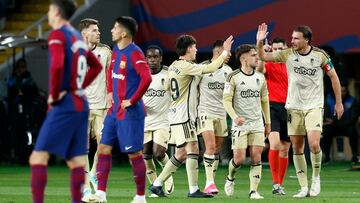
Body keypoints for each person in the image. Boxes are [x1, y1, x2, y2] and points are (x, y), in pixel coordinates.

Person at [256, 23, 344, 198]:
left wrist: (338, 102)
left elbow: (333, 76)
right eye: (292, 37)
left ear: (306, 40)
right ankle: (303, 187)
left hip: (313, 106)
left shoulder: (320, 56)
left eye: (296, 38)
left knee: (313, 144)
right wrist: (259, 42)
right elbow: (263, 57)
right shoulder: (288, 54)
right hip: (294, 107)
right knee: (296, 147)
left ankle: (316, 178)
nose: (292, 41)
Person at [29, 1, 102, 203]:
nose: (48, 13)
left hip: (65, 104)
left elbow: (57, 65)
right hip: (81, 104)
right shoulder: (76, 37)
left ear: (57, 12)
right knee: (77, 160)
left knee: (37, 158)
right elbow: (95, 67)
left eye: (50, 9)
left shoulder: (58, 35)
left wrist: (55, 92)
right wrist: (78, 86)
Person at [149, 34, 233, 198]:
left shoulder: (173, 66)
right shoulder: (186, 66)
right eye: (194, 47)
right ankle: (192, 189)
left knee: (181, 152)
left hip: (176, 114)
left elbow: (167, 85)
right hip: (184, 116)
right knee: (192, 148)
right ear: (188, 49)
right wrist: (224, 53)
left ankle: (158, 184)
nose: (196, 50)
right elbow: (209, 68)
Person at [91, 16, 152, 203]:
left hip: (130, 113)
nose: (111, 30)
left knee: (134, 154)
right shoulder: (116, 50)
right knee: (102, 148)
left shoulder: (134, 53)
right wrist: (110, 91)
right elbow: (110, 71)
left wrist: (132, 100)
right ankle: (101, 193)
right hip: (113, 111)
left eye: (115, 28)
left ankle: (140, 197)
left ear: (124, 33)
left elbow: (147, 78)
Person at [223, 44, 270, 199]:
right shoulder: (233, 77)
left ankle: (253, 191)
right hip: (240, 125)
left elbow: (264, 101)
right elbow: (226, 101)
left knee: (256, 157)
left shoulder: (260, 77)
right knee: (239, 159)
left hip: (257, 123)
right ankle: (230, 178)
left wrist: (267, 122)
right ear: (243, 58)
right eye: (253, 55)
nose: (257, 57)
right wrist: (235, 116)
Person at [78, 18, 112, 202]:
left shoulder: (105, 51)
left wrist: (111, 92)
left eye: (98, 30)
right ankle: (85, 189)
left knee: (104, 146)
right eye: (95, 30)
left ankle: (94, 174)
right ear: (85, 34)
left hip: (102, 106)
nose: (99, 33)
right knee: (83, 148)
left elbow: (112, 74)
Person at [256, 37, 291, 195]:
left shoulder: (291, 64)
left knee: (285, 148)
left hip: (289, 107)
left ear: (286, 48)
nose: (277, 51)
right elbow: (259, 70)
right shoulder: (268, 64)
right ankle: (275, 182)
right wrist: (262, 49)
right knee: (275, 144)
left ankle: (279, 185)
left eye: (280, 48)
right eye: (275, 48)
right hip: (272, 107)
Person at [198, 40, 232, 194]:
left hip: (221, 114)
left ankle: (211, 181)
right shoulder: (202, 68)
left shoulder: (229, 71)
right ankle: (209, 183)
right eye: (227, 51)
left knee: (216, 149)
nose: (230, 55)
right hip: (205, 112)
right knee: (210, 147)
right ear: (218, 52)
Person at [143, 45, 174, 195]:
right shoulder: (140, 74)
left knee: (159, 152)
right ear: (145, 59)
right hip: (144, 121)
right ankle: (155, 187)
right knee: (146, 155)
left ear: (160, 58)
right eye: (149, 57)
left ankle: (167, 177)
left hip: (163, 120)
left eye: (155, 57)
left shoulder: (169, 73)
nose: (152, 60)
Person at [322, 81, 359, 164]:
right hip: (332, 126)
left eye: (344, 91)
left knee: (353, 130)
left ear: (347, 91)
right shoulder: (328, 99)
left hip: (346, 125)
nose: (341, 93)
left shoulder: (352, 101)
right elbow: (325, 115)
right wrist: (327, 120)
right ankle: (327, 157)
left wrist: (334, 122)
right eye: (339, 91)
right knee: (327, 130)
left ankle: (355, 156)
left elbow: (353, 119)